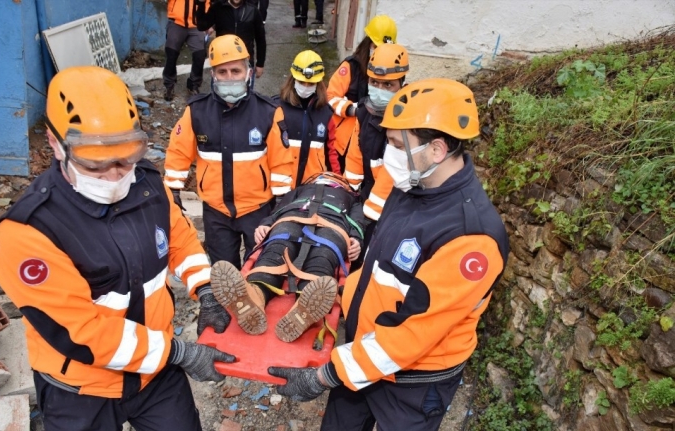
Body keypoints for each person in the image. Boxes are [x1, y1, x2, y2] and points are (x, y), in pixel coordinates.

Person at [0, 66, 235, 431]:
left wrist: (207, 290)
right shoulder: (29, 230)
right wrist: (177, 352)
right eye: (95, 162)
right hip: (81, 388)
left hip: (154, 377)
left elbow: (180, 240)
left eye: (125, 157)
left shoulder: (149, 185)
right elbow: (82, 332)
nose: (115, 174)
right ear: (56, 144)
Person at [268, 78, 510, 430]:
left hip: (412, 383)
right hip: (363, 356)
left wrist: (325, 376)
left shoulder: (471, 236)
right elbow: (379, 269)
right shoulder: (411, 186)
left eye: (397, 144)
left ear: (437, 150)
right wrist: (340, 296)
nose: (387, 152)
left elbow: (414, 334)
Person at [164, 35, 292, 271]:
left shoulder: (269, 112)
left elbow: (281, 164)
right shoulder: (196, 111)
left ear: (248, 72)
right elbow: (178, 154)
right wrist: (173, 191)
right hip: (216, 212)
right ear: (213, 75)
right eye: (222, 72)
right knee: (224, 273)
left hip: (258, 211)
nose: (229, 78)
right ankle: (226, 309)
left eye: (235, 71)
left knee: (260, 270)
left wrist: (280, 207)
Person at [208, 172, 367, 342]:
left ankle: (304, 306)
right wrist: (265, 225)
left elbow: (358, 221)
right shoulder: (299, 190)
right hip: (295, 218)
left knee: (321, 257)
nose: (327, 177)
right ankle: (255, 296)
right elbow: (278, 209)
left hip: (331, 224)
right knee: (276, 253)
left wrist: (356, 239)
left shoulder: (351, 198)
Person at [344, 42, 410, 269]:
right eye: (374, 82)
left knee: (374, 259)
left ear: (402, 86)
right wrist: (349, 190)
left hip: (393, 205)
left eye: (388, 85)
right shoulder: (364, 113)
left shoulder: (406, 126)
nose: (379, 89)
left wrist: (364, 217)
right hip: (366, 197)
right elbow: (355, 153)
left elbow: (392, 174)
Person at [327, 14, 397, 172]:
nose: (379, 52)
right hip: (344, 140)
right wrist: (352, 110)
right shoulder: (351, 66)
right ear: (369, 44)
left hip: (373, 138)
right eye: (377, 47)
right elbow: (330, 96)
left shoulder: (391, 72)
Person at [268, 50, 340, 189]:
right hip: (280, 188)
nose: (306, 87)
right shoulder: (276, 108)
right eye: (302, 82)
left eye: (311, 83)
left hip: (312, 187)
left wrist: (337, 182)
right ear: (293, 79)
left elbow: (331, 152)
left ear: (319, 83)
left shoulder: (326, 113)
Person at [201, 0, 266, 84]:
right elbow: (202, 25)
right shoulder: (218, 7)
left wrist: (260, 64)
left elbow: (260, 39)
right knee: (219, 93)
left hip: (245, 62)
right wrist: (201, 3)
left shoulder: (253, 11)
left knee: (245, 94)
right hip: (222, 61)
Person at [163, 0, 209, 101]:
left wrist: (210, 23)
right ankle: (169, 85)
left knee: (200, 55)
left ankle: (193, 85)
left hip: (197, 24)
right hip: (176, 22)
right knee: (171, 53)